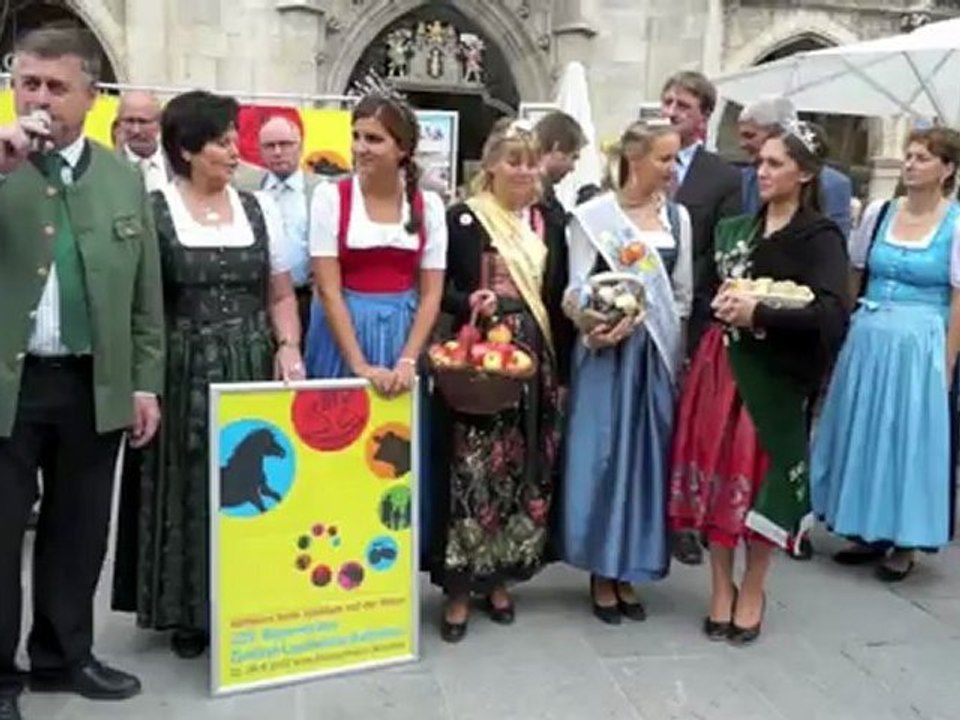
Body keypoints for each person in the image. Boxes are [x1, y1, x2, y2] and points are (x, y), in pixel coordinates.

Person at [0, 27, 164, 720]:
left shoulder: (123, 179)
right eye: (27, 84)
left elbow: (145, 295)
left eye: (56, 86)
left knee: (78, 530)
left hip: (92, 382)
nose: (40, 99)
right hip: (9, 385)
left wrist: (145, 381)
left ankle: (63, 657)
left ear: (92, 97)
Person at [111, 90, 304, 659]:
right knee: (191, 482)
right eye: (222, 142)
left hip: (250, 360)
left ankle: (250, 594)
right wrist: (143, 380)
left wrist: (289, 346)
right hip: (183, 364)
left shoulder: (258, 208)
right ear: (188, 150)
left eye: (233, 139)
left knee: (253, 484)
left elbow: (280, 294)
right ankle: (190, 610)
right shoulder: (156, 209)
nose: (235, 151)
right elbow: (143, 304)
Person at [669, 121, 849, 645]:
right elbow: (706, 292)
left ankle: (753, 587)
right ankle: (719, 586)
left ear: (805, 173)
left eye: (775, 164)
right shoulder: (736, 228)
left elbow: (832, 313)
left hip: (773, 374)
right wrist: (722, 306)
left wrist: (762, 313)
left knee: (760, 480)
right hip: (720, 366)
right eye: (760, 162)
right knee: (717, 475)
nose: (761, 172)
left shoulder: (819, 237)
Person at [433, 119, 569, 643]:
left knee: (525, 465)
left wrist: (564, 371)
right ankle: (460, 585)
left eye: (532, 161)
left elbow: (557, 295)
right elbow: (439, 288)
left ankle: (501, 577)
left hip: (535, 358)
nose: (524, 171)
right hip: (480, 357)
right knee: (472, 468)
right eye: (514, 160)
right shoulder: (464, 219)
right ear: (490, 165)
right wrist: (469, 300)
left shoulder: (548, 220)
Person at [811, 127, 960, 582]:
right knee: (865, 430)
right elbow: (856, 275)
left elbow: (959, 298)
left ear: (947, 169)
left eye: (922, 158)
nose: (910, 164)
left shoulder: (955, 223)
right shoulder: (879, 213)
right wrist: (846, 330)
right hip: (869, 335)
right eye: (909, 155)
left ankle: (905, 539)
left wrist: (947, 362)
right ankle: (865, 528)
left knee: (908, 438)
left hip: (920, 341)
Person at [559, 119, 691, 624]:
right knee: (604, 456)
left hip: (654, 356)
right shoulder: (593, 217)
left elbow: (681, 296)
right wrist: (593, 324)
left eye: (675, 158)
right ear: (635, 159)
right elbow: (574, 288)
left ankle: (630, 565)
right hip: (606, 354)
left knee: (646, 462)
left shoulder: (678, 218)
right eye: (664, 158)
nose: (672, 168)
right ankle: (601, 568)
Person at [306, 93, 446, 391]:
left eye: (373, 139)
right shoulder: (330, 198)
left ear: (402, 149)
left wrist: (407, 359)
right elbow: (328, 290)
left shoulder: (429, 207)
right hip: (343, 334)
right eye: (356, 137)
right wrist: (359, 365)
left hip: (403, 334)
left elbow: (432, 293)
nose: (360, 148)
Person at [660, 70, 742, 565]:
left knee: (687, 418)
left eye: (683, 106)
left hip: (694, 313)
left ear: (704, 116)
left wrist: (685, 286)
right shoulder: (641, 155)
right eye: (668, 102)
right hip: (640, 310)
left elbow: (725, 247)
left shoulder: (722, 176)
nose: (671, 112)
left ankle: (683, 520)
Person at [235, 114, 320, 336]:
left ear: (300, 146)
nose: (278, 151)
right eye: (269, 146)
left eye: (285, 144)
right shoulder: (246, 190)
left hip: (307, 300)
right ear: (260, 150)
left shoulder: (321, 191)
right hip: (258, 301)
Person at [738, 96, 853, 238]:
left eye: (750, 136)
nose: (742, 144)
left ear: (777, 132)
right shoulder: (743, 178)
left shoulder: (833, 185)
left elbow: (837, 240)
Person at [117, 90, 169, 192]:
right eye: (129, 121)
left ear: (160, 122)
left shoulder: (179, 166)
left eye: (143, 122)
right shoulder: (105, 168)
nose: (136, 130)